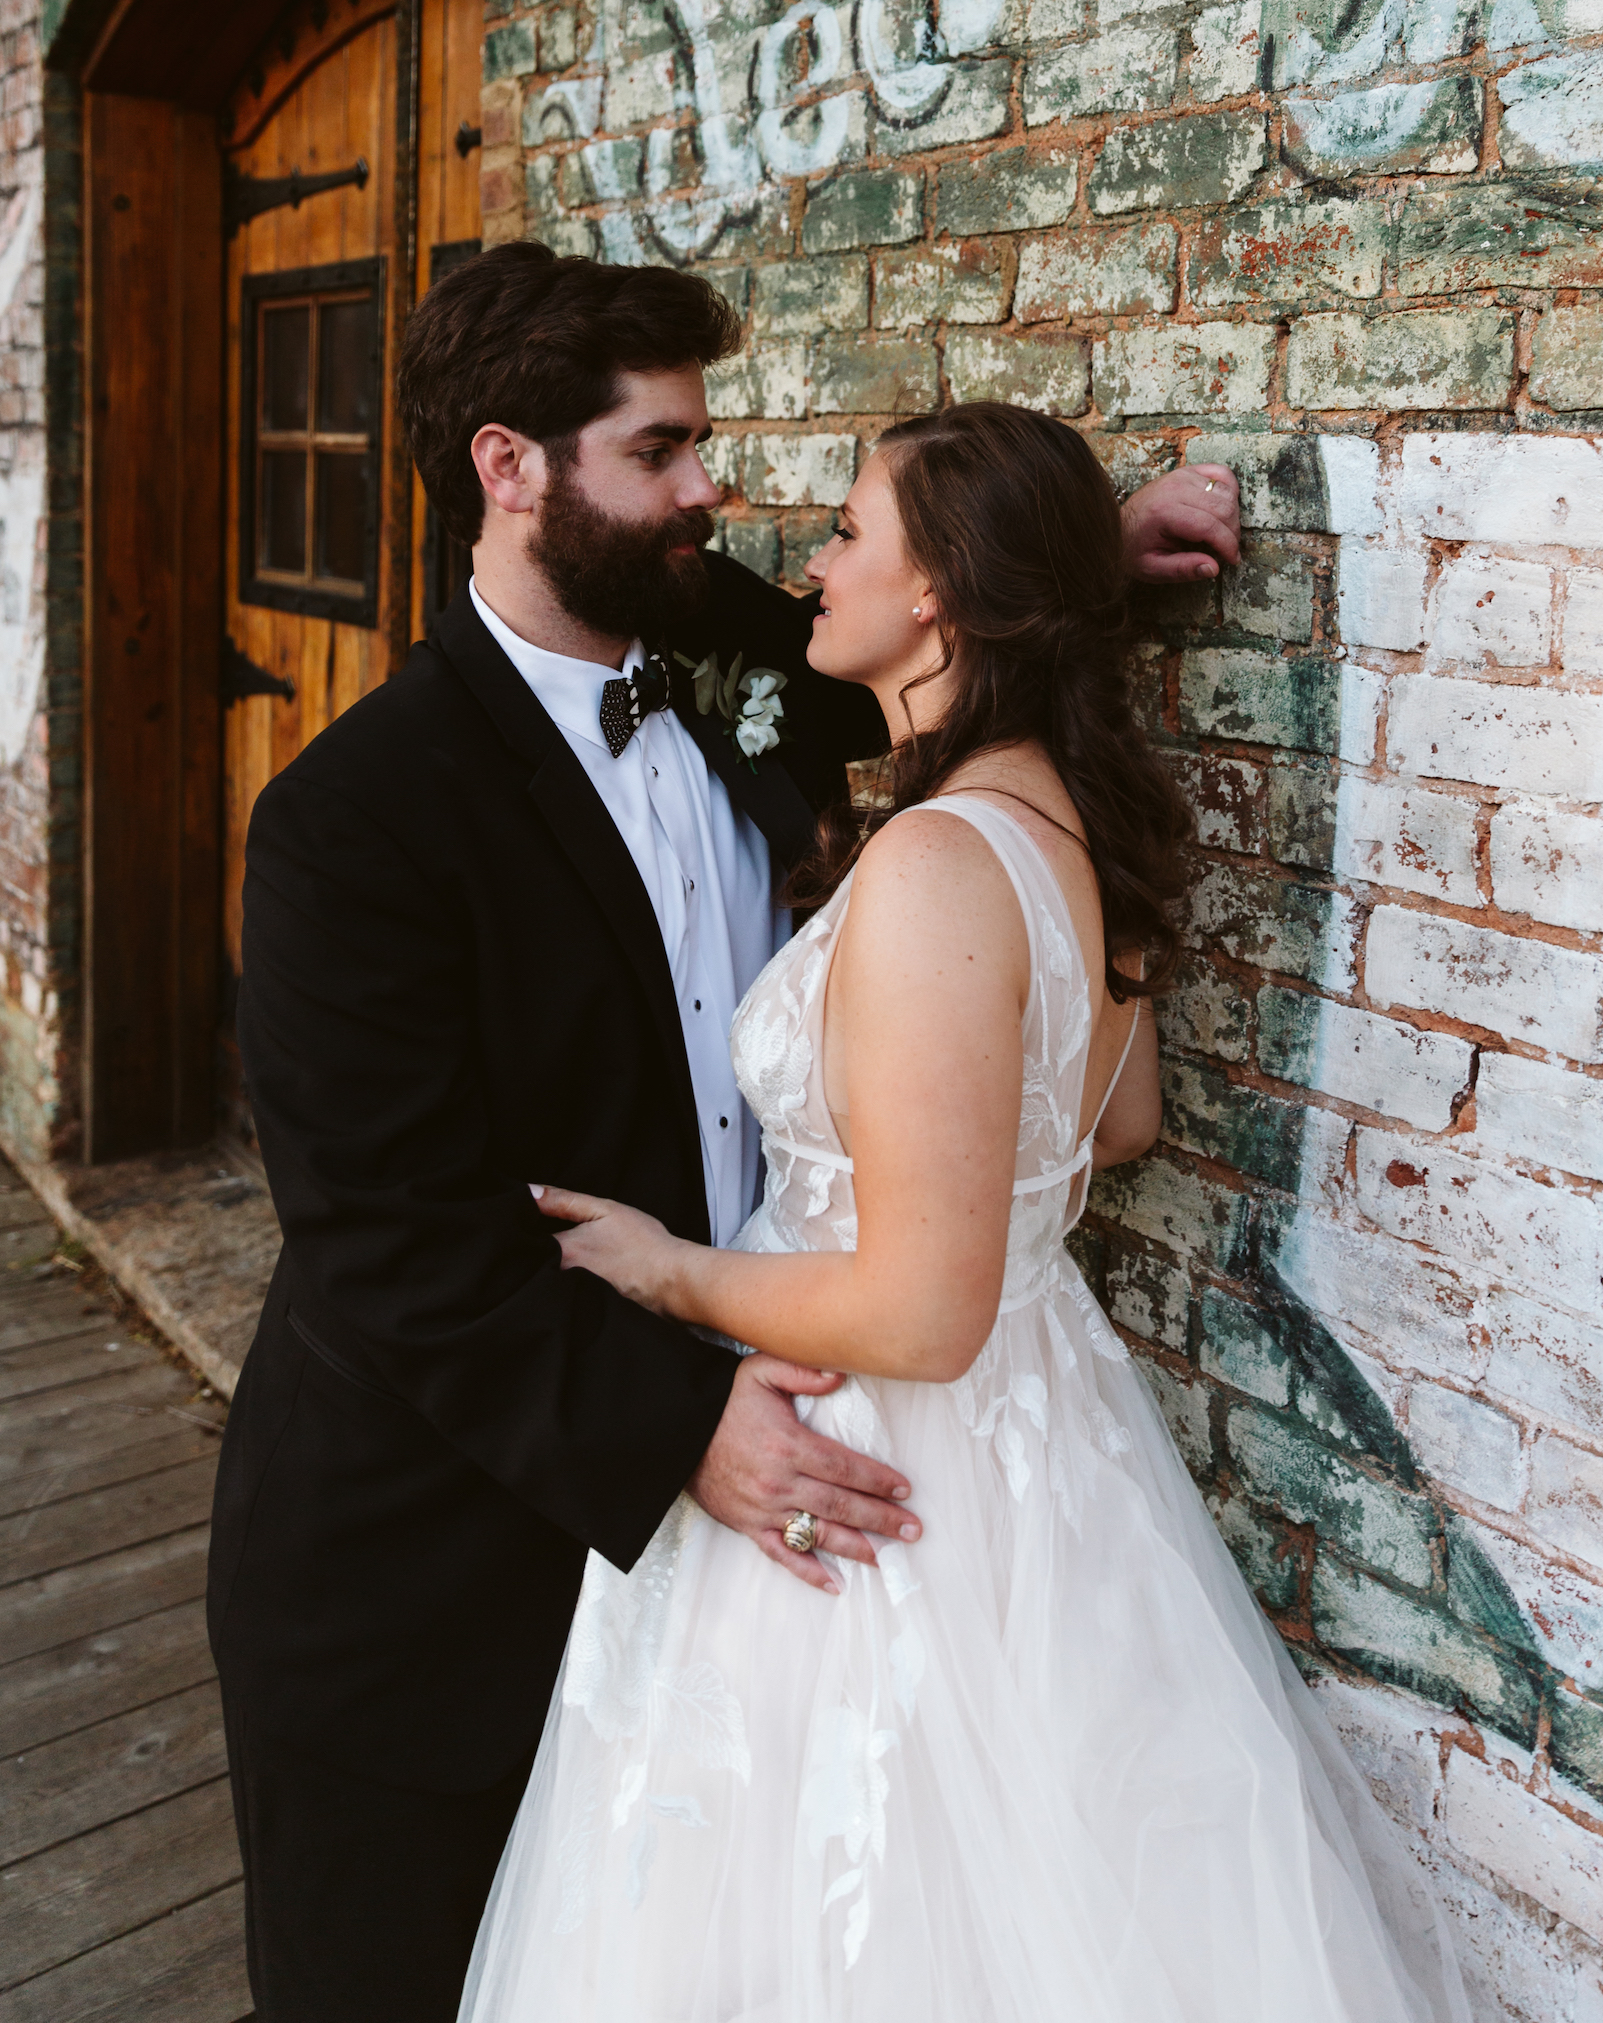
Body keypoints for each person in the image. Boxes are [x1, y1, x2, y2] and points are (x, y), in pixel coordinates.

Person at [206, 243, 1242, 2023]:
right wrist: (684, 1423)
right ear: (509, 468)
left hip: (748, 1596)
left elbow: (964, 634)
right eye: (665, 451)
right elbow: (395, 1246)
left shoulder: (737, 655)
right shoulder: (345, 828)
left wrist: (1114, 542)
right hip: (430, 1577)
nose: (717, 491)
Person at [458, 400, 1470, 2023]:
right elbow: (1116, 1119)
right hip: (1038, 1436)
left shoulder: (938, 859)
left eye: (852, 532)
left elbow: (928, 1308)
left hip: (870, 1451)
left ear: (936, 595)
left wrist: (669, 1272)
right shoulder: (1060, 817)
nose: (813, 564)